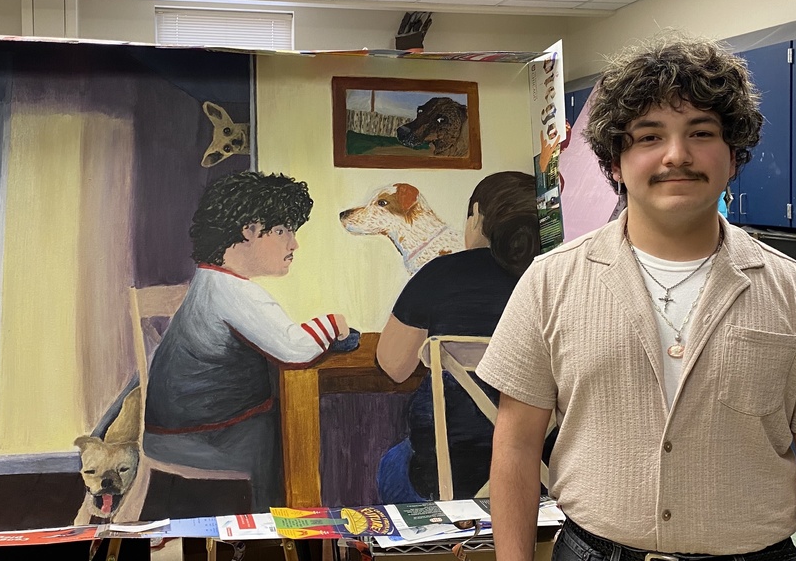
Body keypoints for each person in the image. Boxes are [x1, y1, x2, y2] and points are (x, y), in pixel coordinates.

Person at [478, 36, 796, 561]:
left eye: (701, 132)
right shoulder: (549, 283)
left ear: (734, 156)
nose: (677, 155)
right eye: (649, 136)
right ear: (615, 163)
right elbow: (516, 449)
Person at [143, 171, 352, 510]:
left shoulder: (211, 279)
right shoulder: (232, 290)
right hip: (196, 436)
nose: (294, 244)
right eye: (283, 230)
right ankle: (280, 524)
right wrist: (334, 324)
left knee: (278, 414)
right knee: (291, 433)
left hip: (179, 428)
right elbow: (295, 348)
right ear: (249, 230)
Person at [375, 171, 540, 503]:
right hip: (538, 480)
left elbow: (393, 366)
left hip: (441, 484)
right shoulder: (553, 278)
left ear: (477, 215)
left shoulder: (439, 274)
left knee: (392, 463)